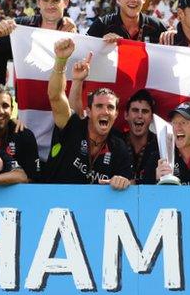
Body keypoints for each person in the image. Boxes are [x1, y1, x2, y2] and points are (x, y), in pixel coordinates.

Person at [0, 0, 76, 162]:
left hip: (62, 121)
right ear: (38, 2)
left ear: (66, 3)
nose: (50, 5)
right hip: (27, 121)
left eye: (56, 0)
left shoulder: (73, 32)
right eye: (46, 0)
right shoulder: (22, 28)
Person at [43, 38, 132, 189]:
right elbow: (55, 96)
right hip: (55, 206)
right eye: (99, 106)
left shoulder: (119, 147)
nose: (105, 111)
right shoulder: (73, 127)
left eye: (110, 107)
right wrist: (61, 60)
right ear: (88, 111)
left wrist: (123, 182)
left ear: (116, 114)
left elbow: (129, 183)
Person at [0, 84, 41, 182]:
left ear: (12, 109)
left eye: (5, 106)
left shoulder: (24, 136)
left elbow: (32, 179)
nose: (0, 111)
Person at [87, 0, 166, 44]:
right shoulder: (101, 25)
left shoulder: (157, 27)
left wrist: (174, 34)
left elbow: (175, 50)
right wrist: (100, 44)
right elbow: (82, 53)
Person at [122, 89, 158, 184]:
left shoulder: (161, 146)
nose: (140, 115)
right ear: (126, 115)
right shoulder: (115, 142)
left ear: (151, 118)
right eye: (135, 110)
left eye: (145, 111)